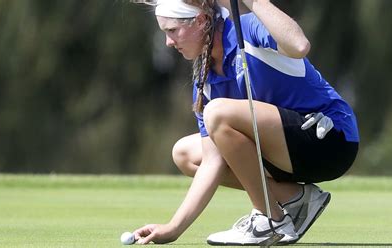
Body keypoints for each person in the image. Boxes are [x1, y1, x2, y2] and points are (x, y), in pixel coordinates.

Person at [132, 0, 359, 245]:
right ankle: (296, 198)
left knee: (217, 113)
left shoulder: (247, 28)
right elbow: (212, 162)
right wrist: (173, 228)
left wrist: (254, 1)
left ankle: (268, 219)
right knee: (186, 154)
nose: (168, 42)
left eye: (172, 31)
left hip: (329, 140)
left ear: (201, 21)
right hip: (286, 154)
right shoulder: (205, 79)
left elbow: (299, 45)